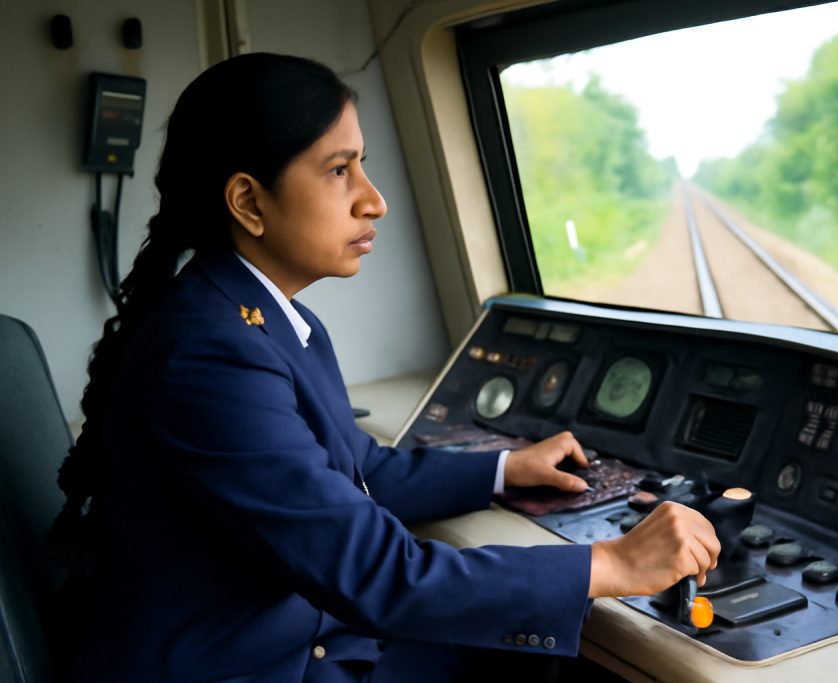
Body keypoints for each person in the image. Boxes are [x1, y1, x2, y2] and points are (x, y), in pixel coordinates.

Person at [50, 53, 720, 682]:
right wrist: (610, 561)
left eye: (362, 164)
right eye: (340, 170)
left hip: (302, 635)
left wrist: (503, 469)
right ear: (249, 202)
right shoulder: (211, 354)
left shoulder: (264, 317)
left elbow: (355, 471)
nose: (374, 200)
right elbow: (380, 575)